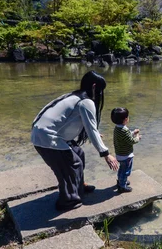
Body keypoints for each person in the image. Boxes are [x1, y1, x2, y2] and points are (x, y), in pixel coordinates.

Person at [32, 71, 119, 211]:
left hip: (44, 134)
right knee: (72, 164)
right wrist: (106, 154)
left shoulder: (73, 96)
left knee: (79, 153)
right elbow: (91, 129)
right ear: (95, 86)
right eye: (101, 91)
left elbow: (79, 125)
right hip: (48, 139)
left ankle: (79, 185)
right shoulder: (85, 101)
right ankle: (67, 200)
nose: (100, 95)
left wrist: (94, 135)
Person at [111, 107, 141, 193]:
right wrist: (138, 137)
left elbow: (124, 137)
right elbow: (131, 141)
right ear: (125, 119)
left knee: (122, 169)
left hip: (119, 154)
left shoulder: (117, 128)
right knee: (126, 171)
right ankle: (122, 186)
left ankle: (120, 181)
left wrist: (133, 133)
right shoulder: (124, 130)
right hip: (126, 155)